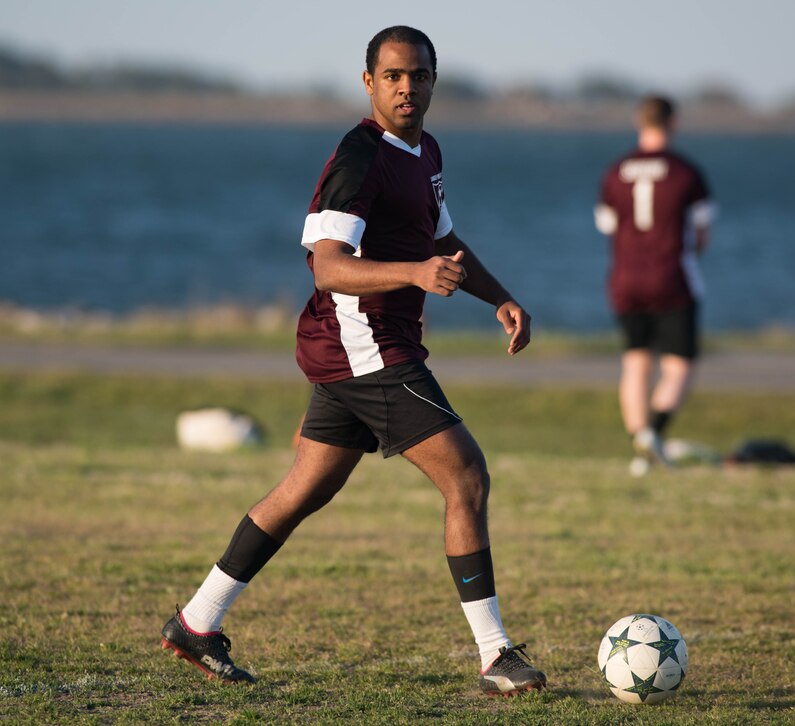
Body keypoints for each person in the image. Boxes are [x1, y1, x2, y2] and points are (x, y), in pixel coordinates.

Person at [159, 25, 547, 697]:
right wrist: (416, 274)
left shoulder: (424, 150)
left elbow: (444, 237)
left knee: (307, 488)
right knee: (467, 477)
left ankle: (196, 622)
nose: (406, 86)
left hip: (348, 350)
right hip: (368, 350)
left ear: (433, 80)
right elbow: (328, 267)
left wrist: (499, 296)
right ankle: (495, 656)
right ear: (368, 82)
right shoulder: (358, 157)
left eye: (419, 75)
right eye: (393, 75)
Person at [594, 96, 714, 476]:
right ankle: (654, 437)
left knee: (635, 362)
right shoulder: (687, 173)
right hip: (672, 279)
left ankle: (640, 441)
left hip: (626, 278)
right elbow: (701, 232)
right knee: (678, 366)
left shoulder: (615, 172)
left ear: (638, 121)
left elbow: (608, 226)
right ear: (673, 122)